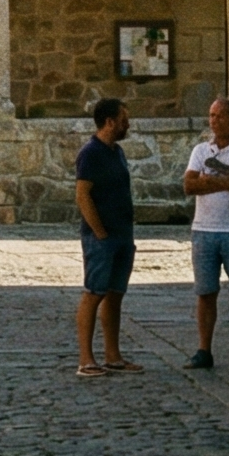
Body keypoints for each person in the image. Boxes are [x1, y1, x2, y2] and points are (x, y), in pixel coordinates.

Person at [181, 97, 229, 371]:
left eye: (221, 116)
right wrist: (218, 182)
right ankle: (204, 349)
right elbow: (189, 185)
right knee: (205, 292)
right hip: (204, 229)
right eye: (212, 116)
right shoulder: (201, 150)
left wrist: (207, 181)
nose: (215, 121)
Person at [73, 97, 138, 377]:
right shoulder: (91, 153)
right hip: (102, 238)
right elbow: (82, 194)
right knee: (94, 293)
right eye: (124, 119)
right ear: (110, 121)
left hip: (123, 235)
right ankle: (86, 359)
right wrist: (99, 231)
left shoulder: (117, 152)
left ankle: (113, 355)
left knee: (114, 296)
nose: (128, 124)